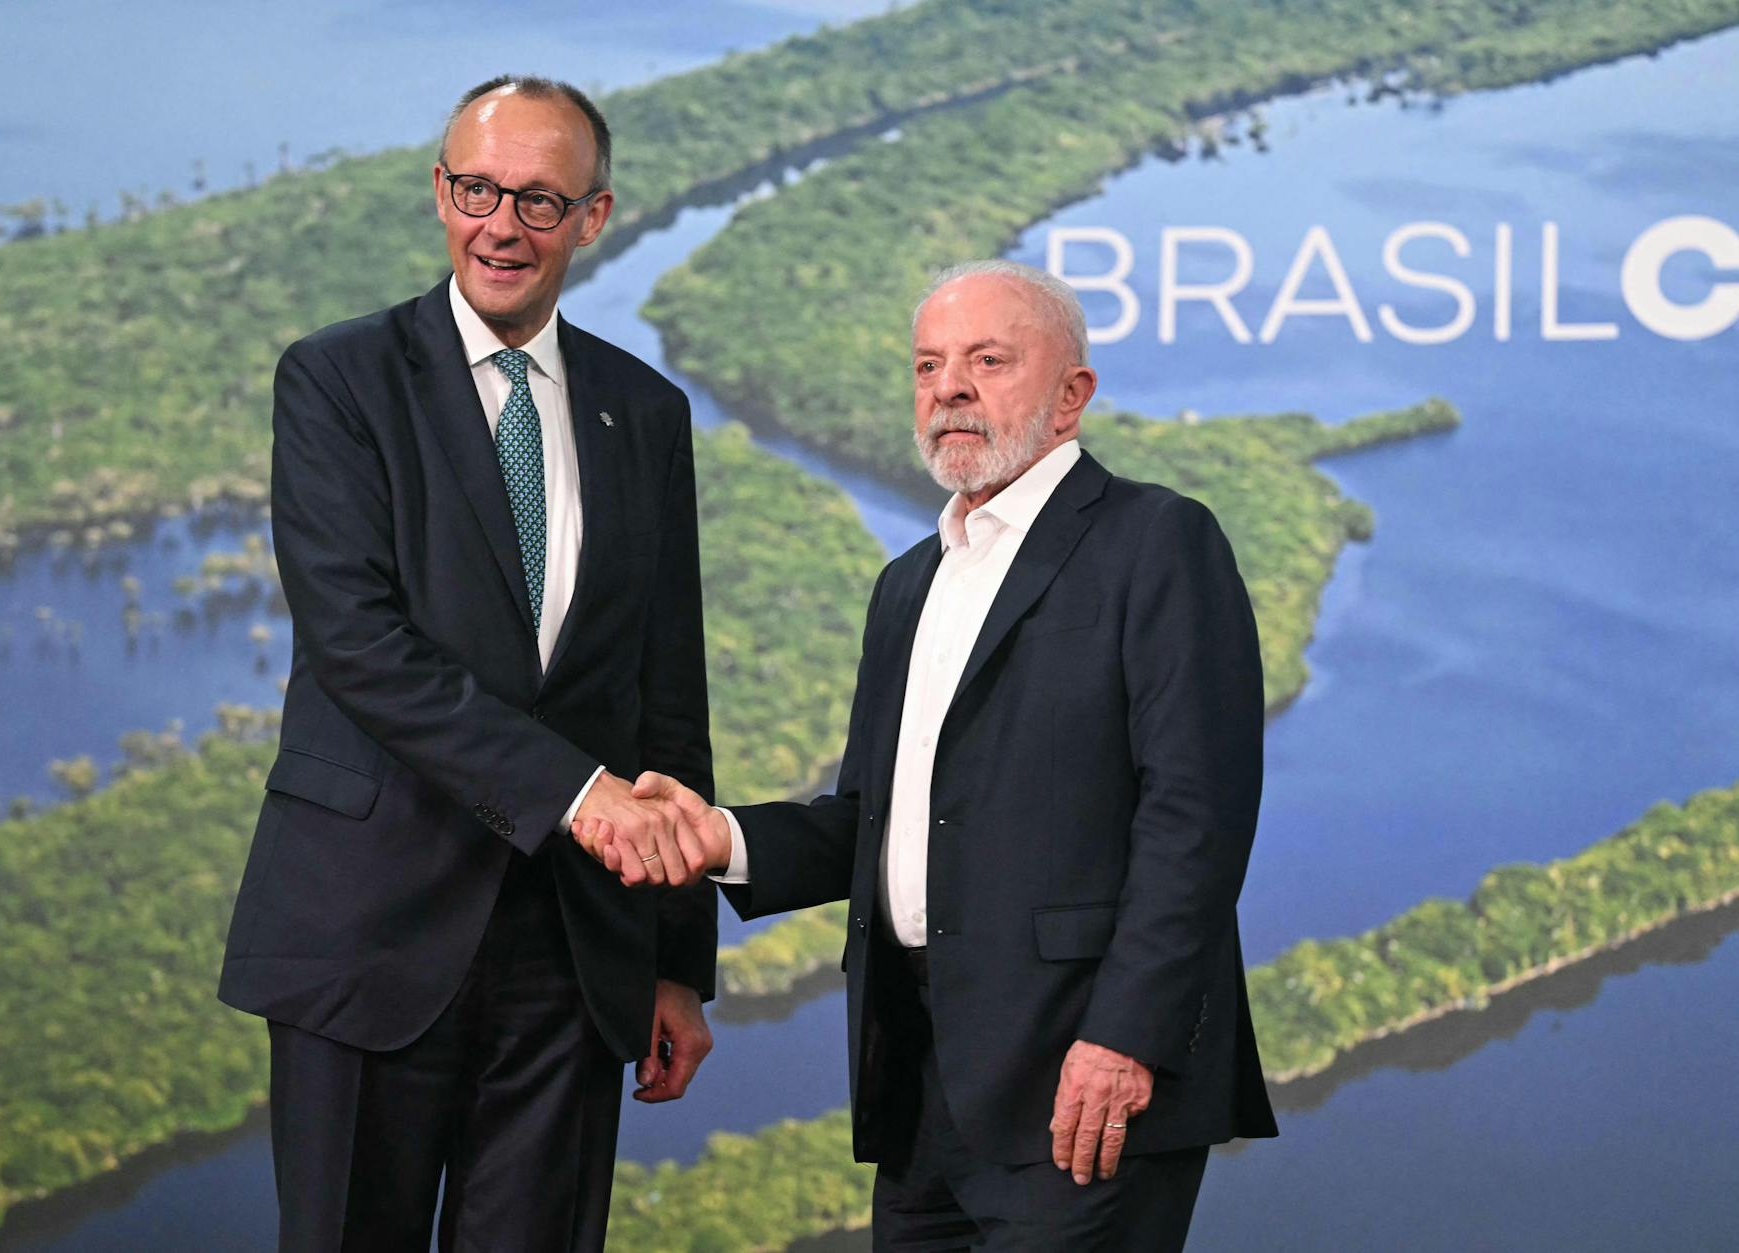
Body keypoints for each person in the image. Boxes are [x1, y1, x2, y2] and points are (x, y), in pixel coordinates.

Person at [578, 259, 1278, 1249]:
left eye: (987, 360)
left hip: (1083, 1083)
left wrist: (1126, 1035)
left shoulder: (1157, 542)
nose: (947, 387)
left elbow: (1194, 820)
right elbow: (869, 817)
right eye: (926, 365)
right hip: (917, 1090)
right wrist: (717, 837)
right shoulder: (906, 584)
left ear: (1071, 394)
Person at [218, 75, 719, 1252]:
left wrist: (677, 961)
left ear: (593, 218)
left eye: (538, 201)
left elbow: (668, 696)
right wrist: (575, 794)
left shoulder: (645, 413)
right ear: (440, 192)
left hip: (573, 955)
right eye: (476, 189)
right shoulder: (337, 380)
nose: (501, 223)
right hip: (368, 934)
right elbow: (357, 645)